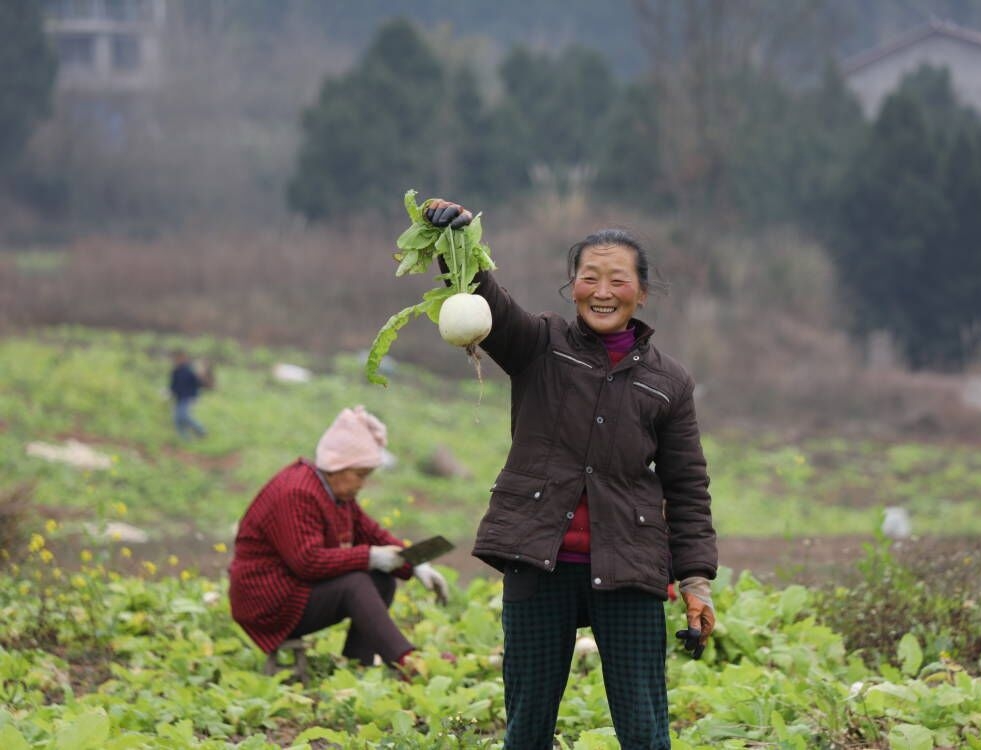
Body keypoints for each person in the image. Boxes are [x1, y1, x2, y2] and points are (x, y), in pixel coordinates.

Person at [424, 199, 718, 750]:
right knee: (527, 725)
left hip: (628, 566)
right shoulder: (540, 345)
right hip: (539, 561)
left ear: (643, 292)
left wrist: (696, 581)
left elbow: (687, 488)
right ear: (572, 285)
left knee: (644, 728)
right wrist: (453, 242)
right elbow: (484, 303)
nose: (602, 291)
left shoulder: (668, 383)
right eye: (589, 278)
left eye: (617, 280)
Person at [228, 405, 450, 673]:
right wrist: (370, 557)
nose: (362, 484)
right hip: (268, 601)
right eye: (359, 475)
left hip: (293, 591)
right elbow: (307, 562)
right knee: (354, 583)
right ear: (337, 467)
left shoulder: (335, 494)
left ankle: (359, 663)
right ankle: (406, 662)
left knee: (381, 580)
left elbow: (373, 533)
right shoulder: (297, 492)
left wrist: (415, 562)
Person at [169, 350, 208, 439]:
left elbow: (198, 383)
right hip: (179, 397)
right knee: (177, 419)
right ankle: (184, 438)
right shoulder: (176, 371)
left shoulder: (190, 370)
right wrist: (169, 392)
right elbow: (173, 385)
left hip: (188, 397)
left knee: (184, 415)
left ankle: (201, 430)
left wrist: (202, 375)